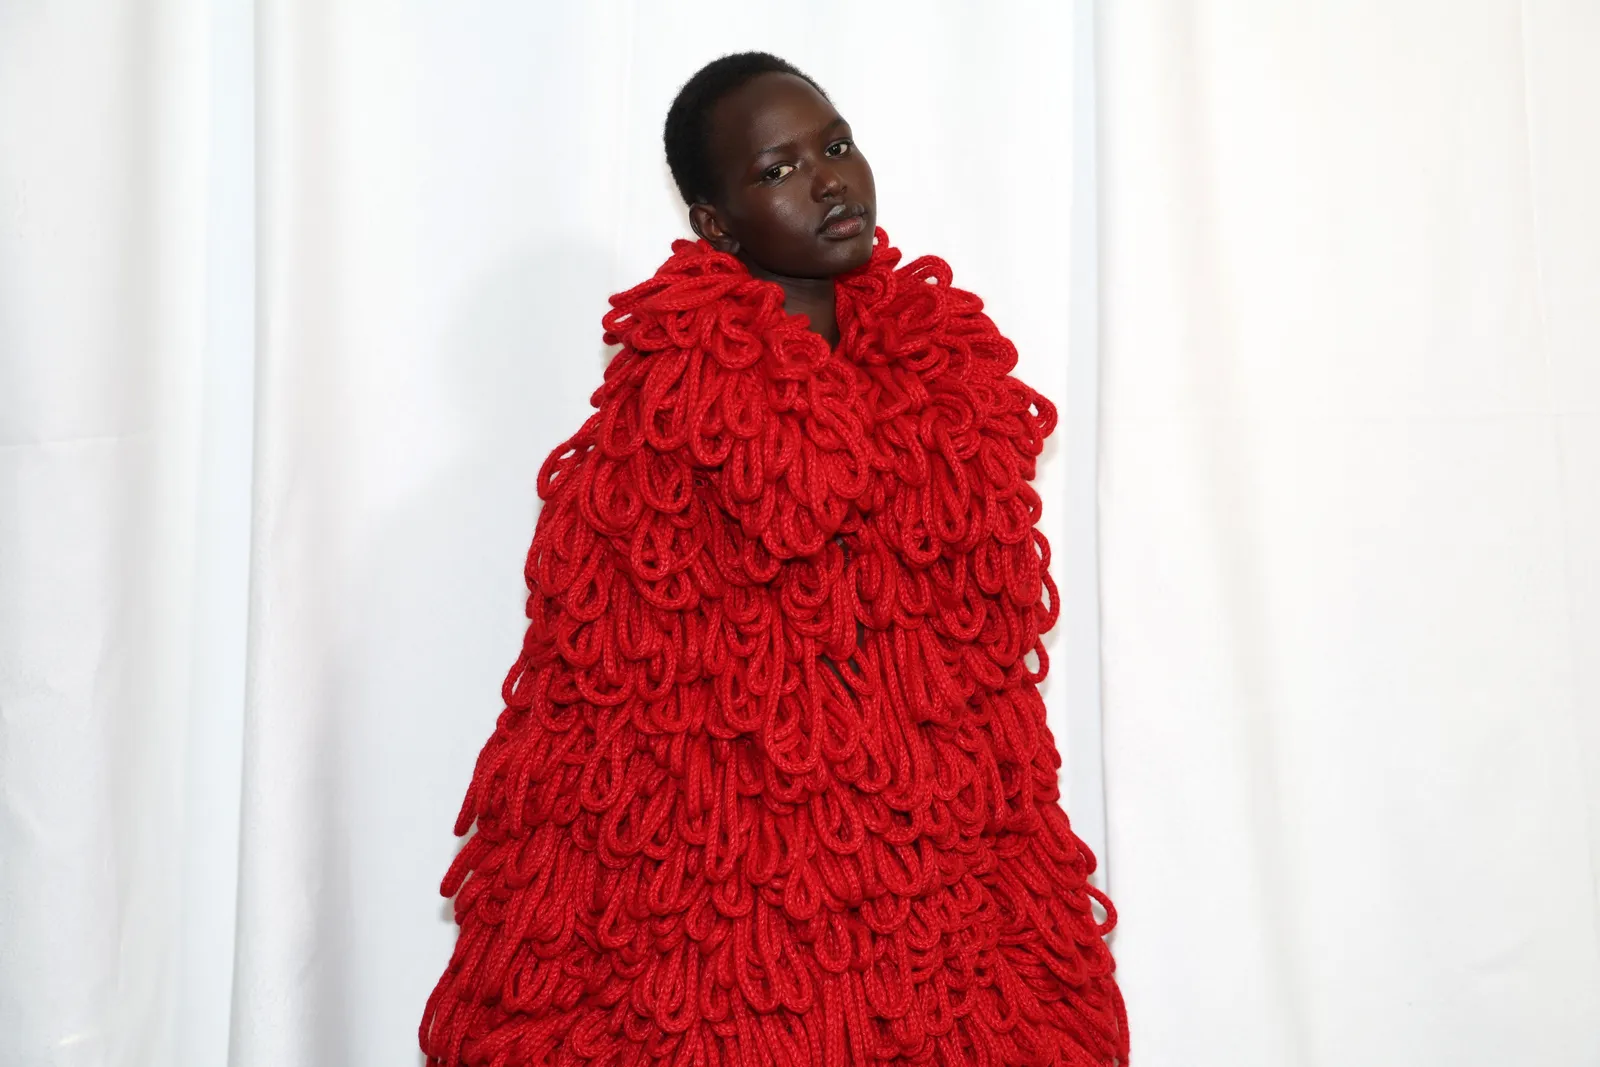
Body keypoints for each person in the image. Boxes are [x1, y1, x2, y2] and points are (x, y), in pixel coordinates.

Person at [421, 52, 1128, 1067]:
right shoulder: (676, 412)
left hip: (943, 868)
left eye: (835, 146)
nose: (828, 179)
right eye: (778, 169)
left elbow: (984, 655)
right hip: (723, 888)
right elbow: (597, 688)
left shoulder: (950, 381)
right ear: (713, 224)